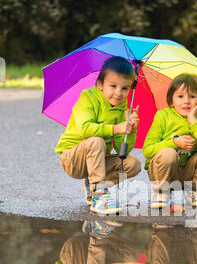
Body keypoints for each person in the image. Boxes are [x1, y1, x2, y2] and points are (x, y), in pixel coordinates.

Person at [55, 56, 141, 215]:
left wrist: (131, 130)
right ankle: (99, 195)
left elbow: (121, 151)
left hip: (97, 160)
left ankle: (92, 183)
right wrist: (116, 128)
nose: (118, 93)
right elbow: (85, 129)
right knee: (96, 141)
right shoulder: (88, 97)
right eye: (113, 86)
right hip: (73, 158)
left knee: (133, 164)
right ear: (100, 84)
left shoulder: (121, 107)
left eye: (125, 88)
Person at [142, 73, 197, 208]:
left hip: (187, 173)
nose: (186, 101)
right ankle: (162, 192)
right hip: (163, 172)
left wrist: (193, 119)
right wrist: (173, 143)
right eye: (180, 96)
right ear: (171, 100)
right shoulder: (163, 116)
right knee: (168, 153)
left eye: (192, 96)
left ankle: (193, 191)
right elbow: (147, 150)